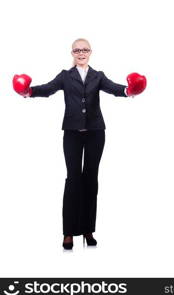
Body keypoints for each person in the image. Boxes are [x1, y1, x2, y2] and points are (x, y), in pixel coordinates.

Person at [13, 38, 146, 250]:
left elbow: (114, 88)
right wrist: (28, 91)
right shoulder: (65, 76)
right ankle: (68, 232)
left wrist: (130, 91)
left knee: (91, 179)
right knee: (73, 179)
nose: (81, 53)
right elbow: (48, 89)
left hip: (96, 133)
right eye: (77, 50)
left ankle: (88, 230)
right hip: (72, 133)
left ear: (91, 52)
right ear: (72, 53)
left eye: (85, 49)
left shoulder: (98, 75)